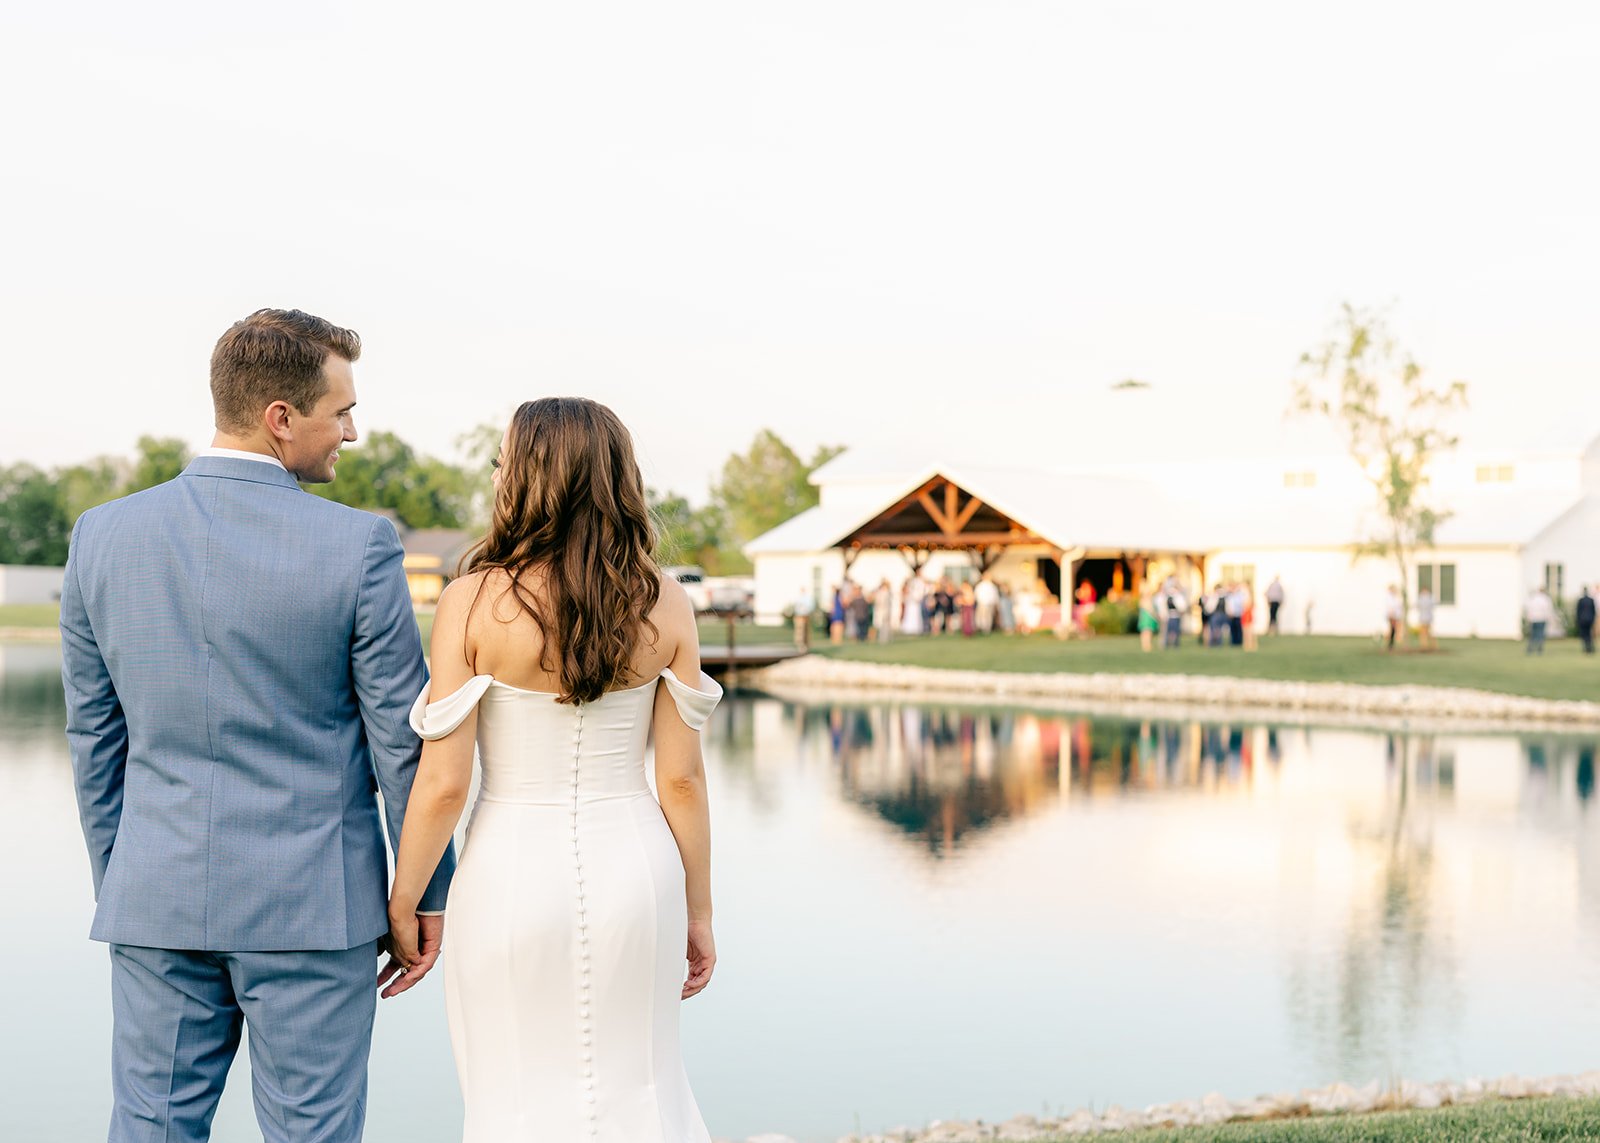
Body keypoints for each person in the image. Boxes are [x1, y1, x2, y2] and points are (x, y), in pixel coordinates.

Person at [60, 308, 456, 1143]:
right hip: (315, 907)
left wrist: (126, 880)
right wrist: (424, 894)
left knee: (150, 1128)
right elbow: (400, 742)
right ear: (282, 417)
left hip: (156, 897)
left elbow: (95, 742)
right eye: (340, 410)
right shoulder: (361, 546)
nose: (351, 429)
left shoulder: (102, 536)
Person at [391, 398, 721, 1141]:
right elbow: (682, 782)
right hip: (638, 869)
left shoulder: (470, 601)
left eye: (504, 459)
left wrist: (405, 897)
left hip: (509, 871)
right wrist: (699, 912)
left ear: (528, 477)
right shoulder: (666, 602)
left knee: (510, 1089)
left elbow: (444, 783)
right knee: (645, 1085)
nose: (498, 471)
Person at [1525, 586, 1554, 655]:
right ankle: (1539, 649)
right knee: (1540, 634)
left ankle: (1530, 648)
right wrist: (1549, 618)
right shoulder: (1546, 599)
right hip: (1542, 618)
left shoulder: (1533, 598)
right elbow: (1548, 609)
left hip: (1534, 619)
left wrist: (1529, 617)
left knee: (1533, 634)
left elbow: (1529, 608)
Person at [792, 585, 815, 650]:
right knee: (799, 630)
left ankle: (806, 644)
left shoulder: (808, 598)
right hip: (799, 615)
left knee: (805, 631)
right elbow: (796, 607)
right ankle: (799, 644)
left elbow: (810, 607)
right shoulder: (798, 598)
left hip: (805, 615)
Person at [1415, 586, 1436, 651]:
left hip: (1428, 617)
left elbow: (1432, 605)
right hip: (1422, 617)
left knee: (1429, 631)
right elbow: (1418, 606)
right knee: (1422, 632)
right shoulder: (1421, 598)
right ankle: (1424, 645)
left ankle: (1432, 645)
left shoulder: (1430, 597)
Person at [1577, 586, 1596, 654]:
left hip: (1582, 620)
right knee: (1589, 634)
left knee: (1584, 634)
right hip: (1590, 619)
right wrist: (1593, 619)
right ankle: (1589, 648)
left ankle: (1586, 648)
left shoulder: (1581, 600)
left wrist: (1578, 620)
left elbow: (1578, 611)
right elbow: (1594, 611)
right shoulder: (1591, 600)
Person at [1384, 585, 1404, 650]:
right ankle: (1390, 643)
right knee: (1392, 629)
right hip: (1392, 615)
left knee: (1395, 629)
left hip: (1397, 615)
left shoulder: (1397, 597)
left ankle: (1392, 643)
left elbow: (1399, 606)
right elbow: (1390, 606)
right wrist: (1391, 613)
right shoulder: (1389, 597)